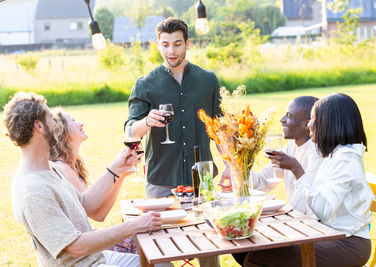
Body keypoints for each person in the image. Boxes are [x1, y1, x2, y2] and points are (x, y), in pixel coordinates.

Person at [3, 92, 162, 267]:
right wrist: (134, 226)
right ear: (39, 126)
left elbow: (87, 205)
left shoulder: (51, 168)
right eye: (51, 119)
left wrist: (117, 169)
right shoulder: (32, 191)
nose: (56, 124)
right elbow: (75, 247)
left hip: (97, 258)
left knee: (161, 262)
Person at [125, 17, 223, 267]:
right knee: (160, 251)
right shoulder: (144, 84)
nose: (172, 51)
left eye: (177, 44)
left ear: (187, 43)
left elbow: (220, 130)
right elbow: (130, 132)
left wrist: (232, 168)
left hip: (203, 179)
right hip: (160, 180)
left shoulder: (208, 80)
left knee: (210, 246)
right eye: (166, 44)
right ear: (158, 45)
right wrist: (147, 121)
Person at [244, 93, 374, 267]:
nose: (310, 124)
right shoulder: (333, 154)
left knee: (257, 258)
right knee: (250, 250)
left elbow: (324, 211)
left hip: (347, 243)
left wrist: (297, 169)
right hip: (324, 234)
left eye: (313, 118)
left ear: (328, 122)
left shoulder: (346, 159)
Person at [230, 96, 322, 266]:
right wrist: (241, 157)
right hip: (294, 223)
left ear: (306, 123)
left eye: (289, 115)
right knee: (239, 246)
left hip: (309, 230)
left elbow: (305, 206)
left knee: (252, 253)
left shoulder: (317, 153)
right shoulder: (291, 148)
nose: (282, 119)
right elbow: (261, 182)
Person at [49, 107, 140, 254]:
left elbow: (99, 215)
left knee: (143, 243)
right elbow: (90, 208)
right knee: (144, 246)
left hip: (91, 239)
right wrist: (115, 169)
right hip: (85, 248)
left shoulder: (74, 165)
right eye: (72, 121)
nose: (80, 123)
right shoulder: (62, 168)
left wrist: (121, 175)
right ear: (62, 131)